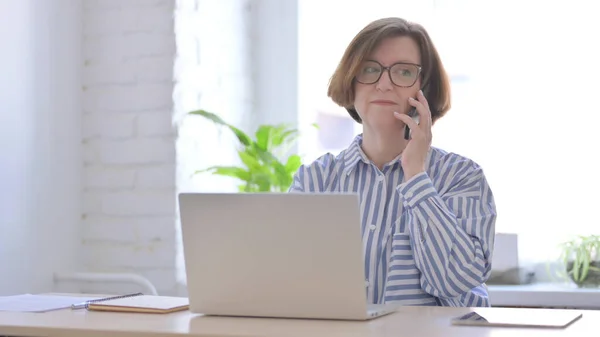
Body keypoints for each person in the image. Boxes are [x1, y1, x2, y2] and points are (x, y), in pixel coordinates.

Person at [289, 17, 497, 307]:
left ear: (423, 88)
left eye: (403, 71)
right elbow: (291, 285)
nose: (384, 84)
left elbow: (454, 281)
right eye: (370, 69)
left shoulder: (461, 177)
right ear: (351, 81)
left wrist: (416, 177)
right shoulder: (314, 181)